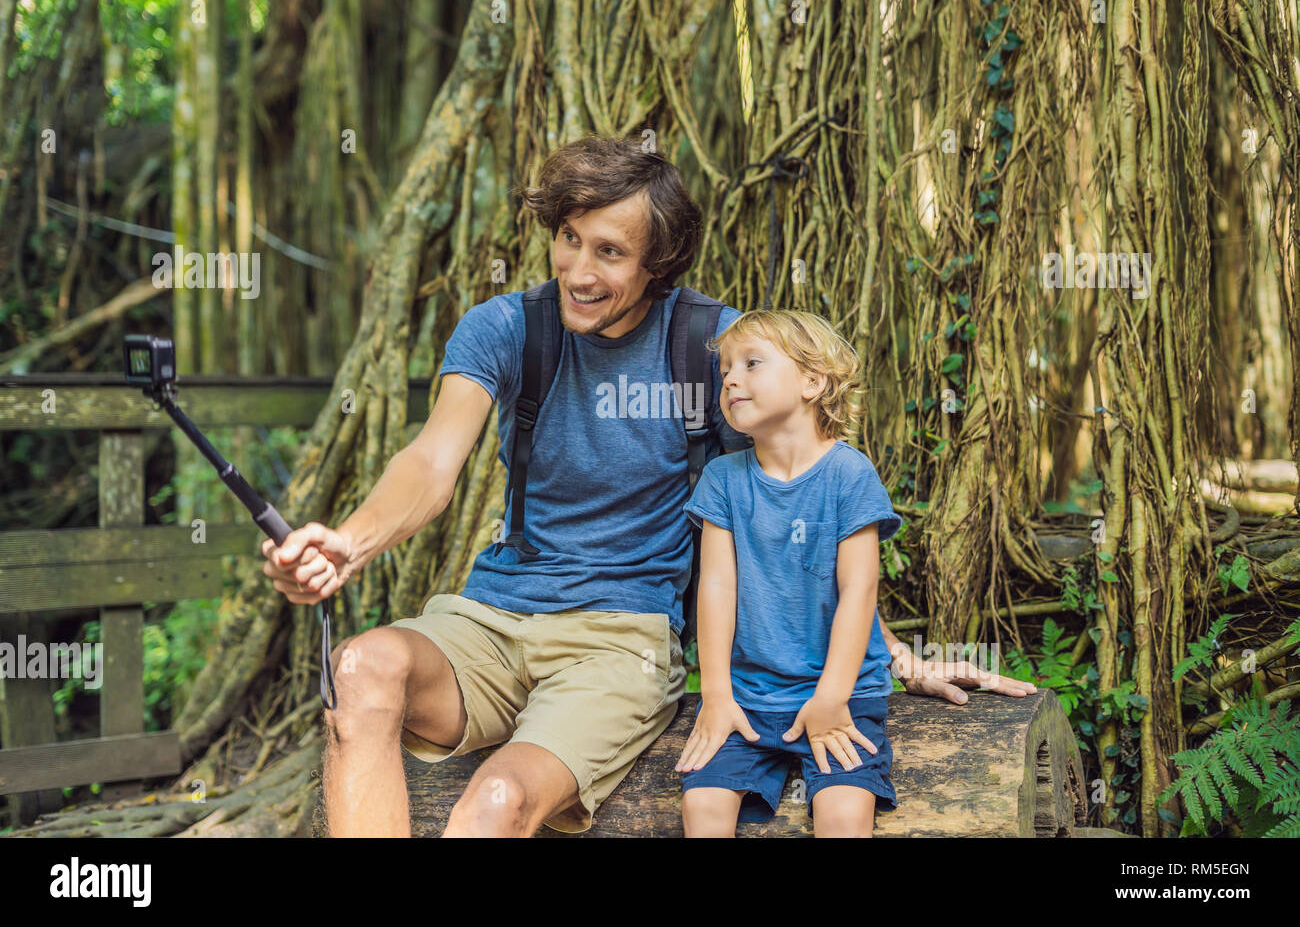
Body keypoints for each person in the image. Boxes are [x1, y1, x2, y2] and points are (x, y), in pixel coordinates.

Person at [259, 135, 1036, 838]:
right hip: (491, 619)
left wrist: (897, 656)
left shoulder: (715, 351)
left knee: (497, 802)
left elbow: (802, 514)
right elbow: (432, 463)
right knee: (359, 670)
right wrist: (348, 543)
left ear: (657, 265)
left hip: (621, 640)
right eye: (569, 240)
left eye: (609, 252)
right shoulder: (507, 328)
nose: (579, 271)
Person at [676, 310, 903, 837]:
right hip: (748, 697)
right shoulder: (722, 479)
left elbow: (858, 591)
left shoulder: (849, 473)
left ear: (812, 381)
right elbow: (716, 588)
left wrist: (830, 698)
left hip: (841, 693)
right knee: (703, 807)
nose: (731, 378)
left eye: (752, 363)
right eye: (726, 369)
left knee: (844, 815)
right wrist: (716, 696)